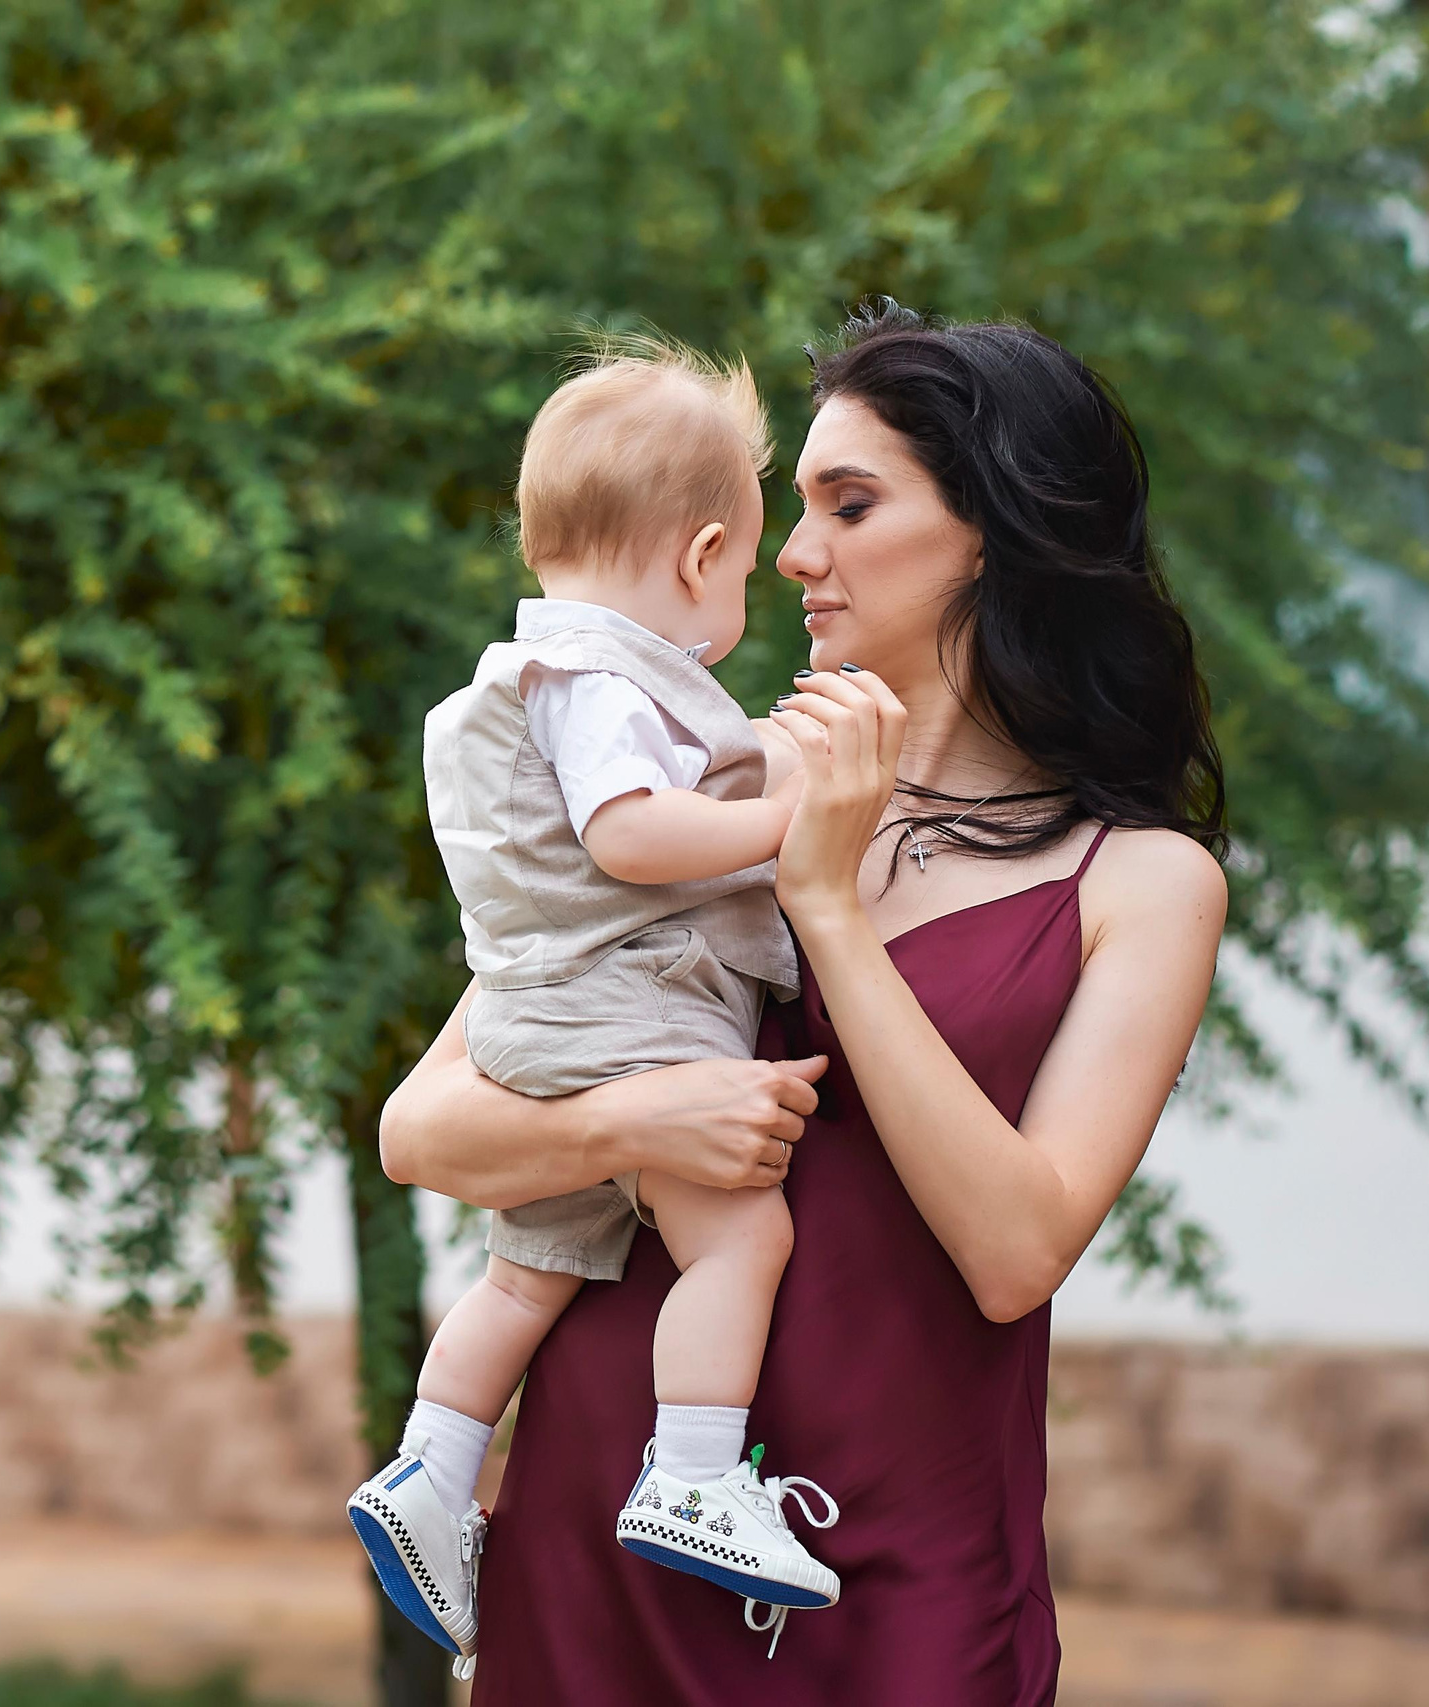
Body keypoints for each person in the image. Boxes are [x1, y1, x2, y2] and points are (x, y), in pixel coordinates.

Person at [380, 302, 1230, 1700]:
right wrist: (651, 1116)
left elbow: (1018, 1250)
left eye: (849, 502)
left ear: (993, 531)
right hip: (597, 1552)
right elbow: (426, 1133)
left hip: (897, 1585)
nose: (789, 553)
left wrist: (827, 906)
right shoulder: (690, 797)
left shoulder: (1138, 883)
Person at [344, 338, 839, 1678]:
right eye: (744, 563)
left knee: (529, 1269)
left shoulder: (531, 676)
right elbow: (626, 837)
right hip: (633, 1016)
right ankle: (690, 1474)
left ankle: (435, 1467)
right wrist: (784, 821)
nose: (754, 584)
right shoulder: (608, 687)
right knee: (738, 1239)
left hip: (538, 1023)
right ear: (700, 557)